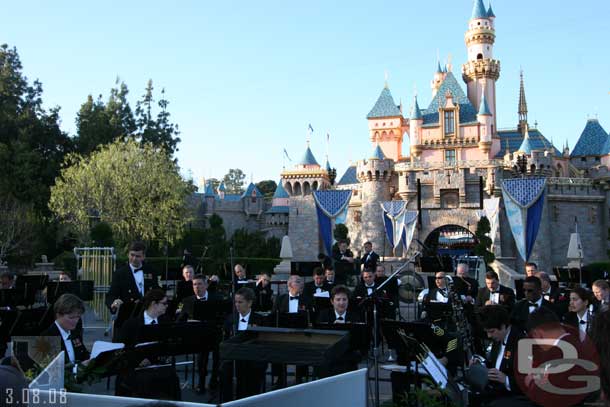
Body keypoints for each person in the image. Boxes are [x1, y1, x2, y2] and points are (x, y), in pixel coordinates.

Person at [519, 307, 599, 407]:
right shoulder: (571, 342)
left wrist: (530, 381)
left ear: (537, 333)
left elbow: (548, 395)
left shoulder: (562, 353)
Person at [116, 289, 180, 400]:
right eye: (164, 303)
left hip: (158, 364)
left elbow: (169, 345)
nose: (167, 306)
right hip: (135, 366)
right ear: (153, 304)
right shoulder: (131, 324)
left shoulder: (166, 322)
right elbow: (120, 349)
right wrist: (137, 360)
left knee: (172, 377)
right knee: (144, 381)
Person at [474, 305, 531, 407]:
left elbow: (527, 382)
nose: (489, 336)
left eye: (491, 331)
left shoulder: (523, 344)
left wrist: (506, 380)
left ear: (504, 326)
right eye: (486, 332)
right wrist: (481, 361)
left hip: (514, 397)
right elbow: (496, 365)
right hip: (496, 390)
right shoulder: (499, 337)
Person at [177, 275, 222, 393]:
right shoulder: (188, 301)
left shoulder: (216, 298)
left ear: (206, 285)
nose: (197, 287)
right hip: (198, 335)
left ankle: (214, 380)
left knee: (219, 355)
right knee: (201, 358)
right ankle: (201, 383)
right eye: (194, 284)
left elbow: (222, 316)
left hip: (214, 333)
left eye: (200, 284)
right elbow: (180, 320)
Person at [220, 287, 266, 401]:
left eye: (240, 302)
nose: (237, 305)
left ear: (249, 303)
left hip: (251, 358)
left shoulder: (259, 320)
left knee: (253, 372)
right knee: (225, 369)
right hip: (233, 357)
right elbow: (225, 339)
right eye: (236, 302)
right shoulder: (230, 319)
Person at [106, 241, 159, 332]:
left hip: (148, 316)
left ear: (143, 256)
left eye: (137, 256)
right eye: (132, 255)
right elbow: (111, 295)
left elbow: (156, 290)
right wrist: (113, 303)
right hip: (127, 317)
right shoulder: (120, 273)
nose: (134, 258)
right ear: (128, 254)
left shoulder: (150, 271)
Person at [40, 293, 90, 365]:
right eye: (71, 317)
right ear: (58, 315)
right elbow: (52, 369)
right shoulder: (47, 337)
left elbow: (83, 354)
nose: (76, 321)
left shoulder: (75, 333)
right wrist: (79, 367)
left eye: (78, 317)